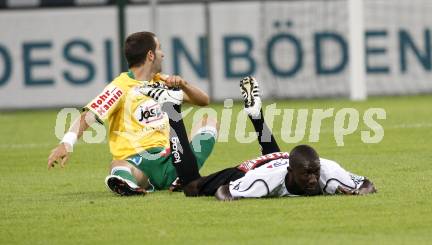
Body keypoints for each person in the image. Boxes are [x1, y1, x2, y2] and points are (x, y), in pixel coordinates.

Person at [47, 31, 217, 196]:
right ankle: (125, 182)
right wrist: (66, 143)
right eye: (159, 49)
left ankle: (181, 177)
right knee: (117, 165)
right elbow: (88, 116)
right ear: (150, 55)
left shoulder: (162, 81)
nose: (163, 54)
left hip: (172, 158)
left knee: (209, 119)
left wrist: (184, 84)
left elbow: (204, 100)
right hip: (140, 163)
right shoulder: (120, 87)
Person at [161, 76, 376, 201]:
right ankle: (172, 109)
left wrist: (359, 192)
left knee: (275, 157)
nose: (312, 179)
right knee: (191, 187)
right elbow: (223, 192)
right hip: (252, 169)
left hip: (280, 159)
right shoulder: (262, 182)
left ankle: (256, 114)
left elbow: (367, 184)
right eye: (307, 175)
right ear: (291, 173)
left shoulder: (328, 171)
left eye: (314, 173)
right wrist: (241, 198)